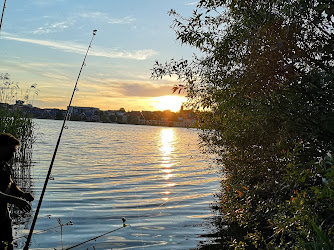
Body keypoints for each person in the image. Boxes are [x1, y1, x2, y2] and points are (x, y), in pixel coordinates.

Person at [0, 133, 34, 250]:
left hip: (4, 217)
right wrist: (15, 200)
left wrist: (23, 194)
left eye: (13, 152)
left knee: (7, 245)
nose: (12, 155)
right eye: (11, 151)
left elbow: (11, 185)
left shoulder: (4, 166)